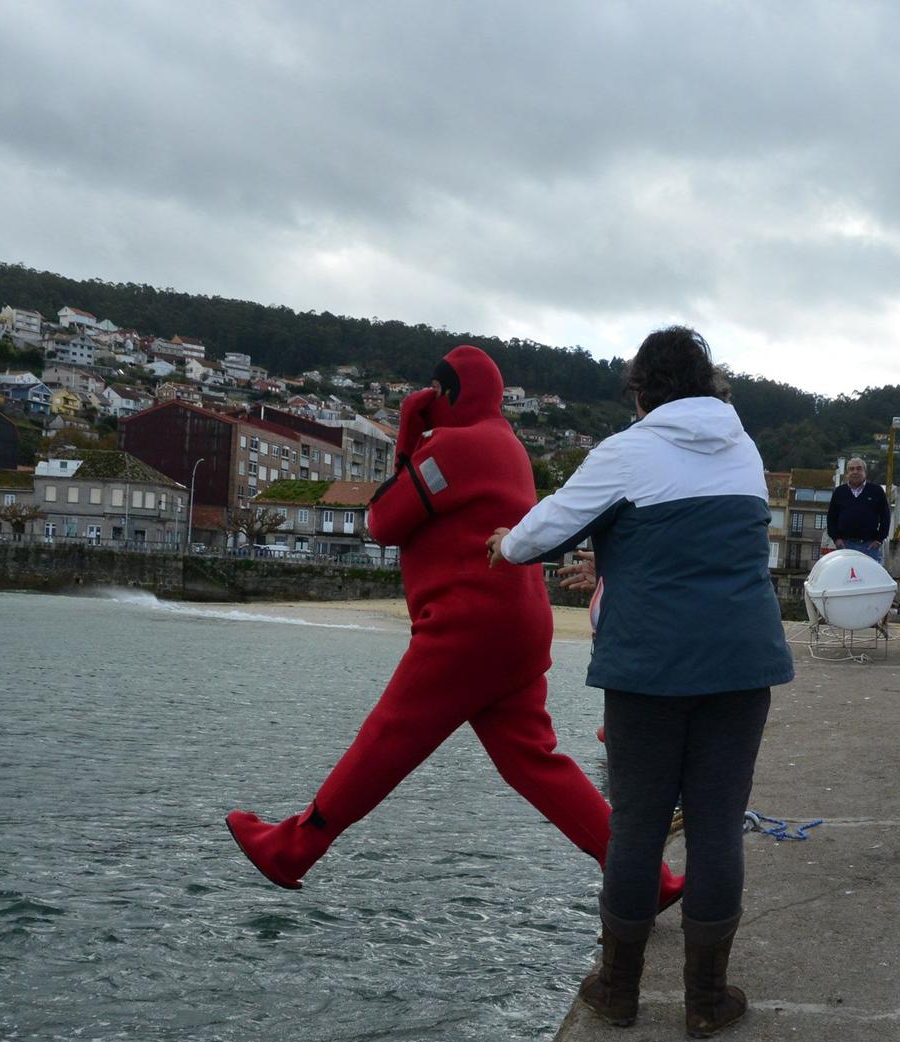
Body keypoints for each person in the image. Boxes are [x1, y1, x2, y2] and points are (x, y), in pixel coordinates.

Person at [225, 345, 680, 907]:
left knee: (389, 736)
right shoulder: (507, 444)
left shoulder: (456, 447)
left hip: (469, 629)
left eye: (431, 393)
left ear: (445, 394)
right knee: (536, 764)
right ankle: (647, 877)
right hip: (515, 626)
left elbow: (382, 522)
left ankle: (293, 847)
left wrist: (408, 437)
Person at [488, 326, 793, 1038]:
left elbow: (541, 534)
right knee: (718, 827)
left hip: (650, 668)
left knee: (637, 826)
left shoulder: (626, 452)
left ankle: (619, 990)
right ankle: (706, 1001)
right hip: (742, 664)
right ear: (713, 382)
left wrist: (502, 543)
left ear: (640, 390)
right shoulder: (745, 450)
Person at [825, 456, 889, 561]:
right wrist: (836, 539)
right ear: (847, 473)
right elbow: (831, 518)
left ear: (865, 472)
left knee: (869, 577)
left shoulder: (877, 491)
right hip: (844, 546)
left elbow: (885, 517)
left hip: (870, 547)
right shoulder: (839, 492)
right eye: (851, 469)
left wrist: (879, 540)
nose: (855, 471)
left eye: (859, 468)